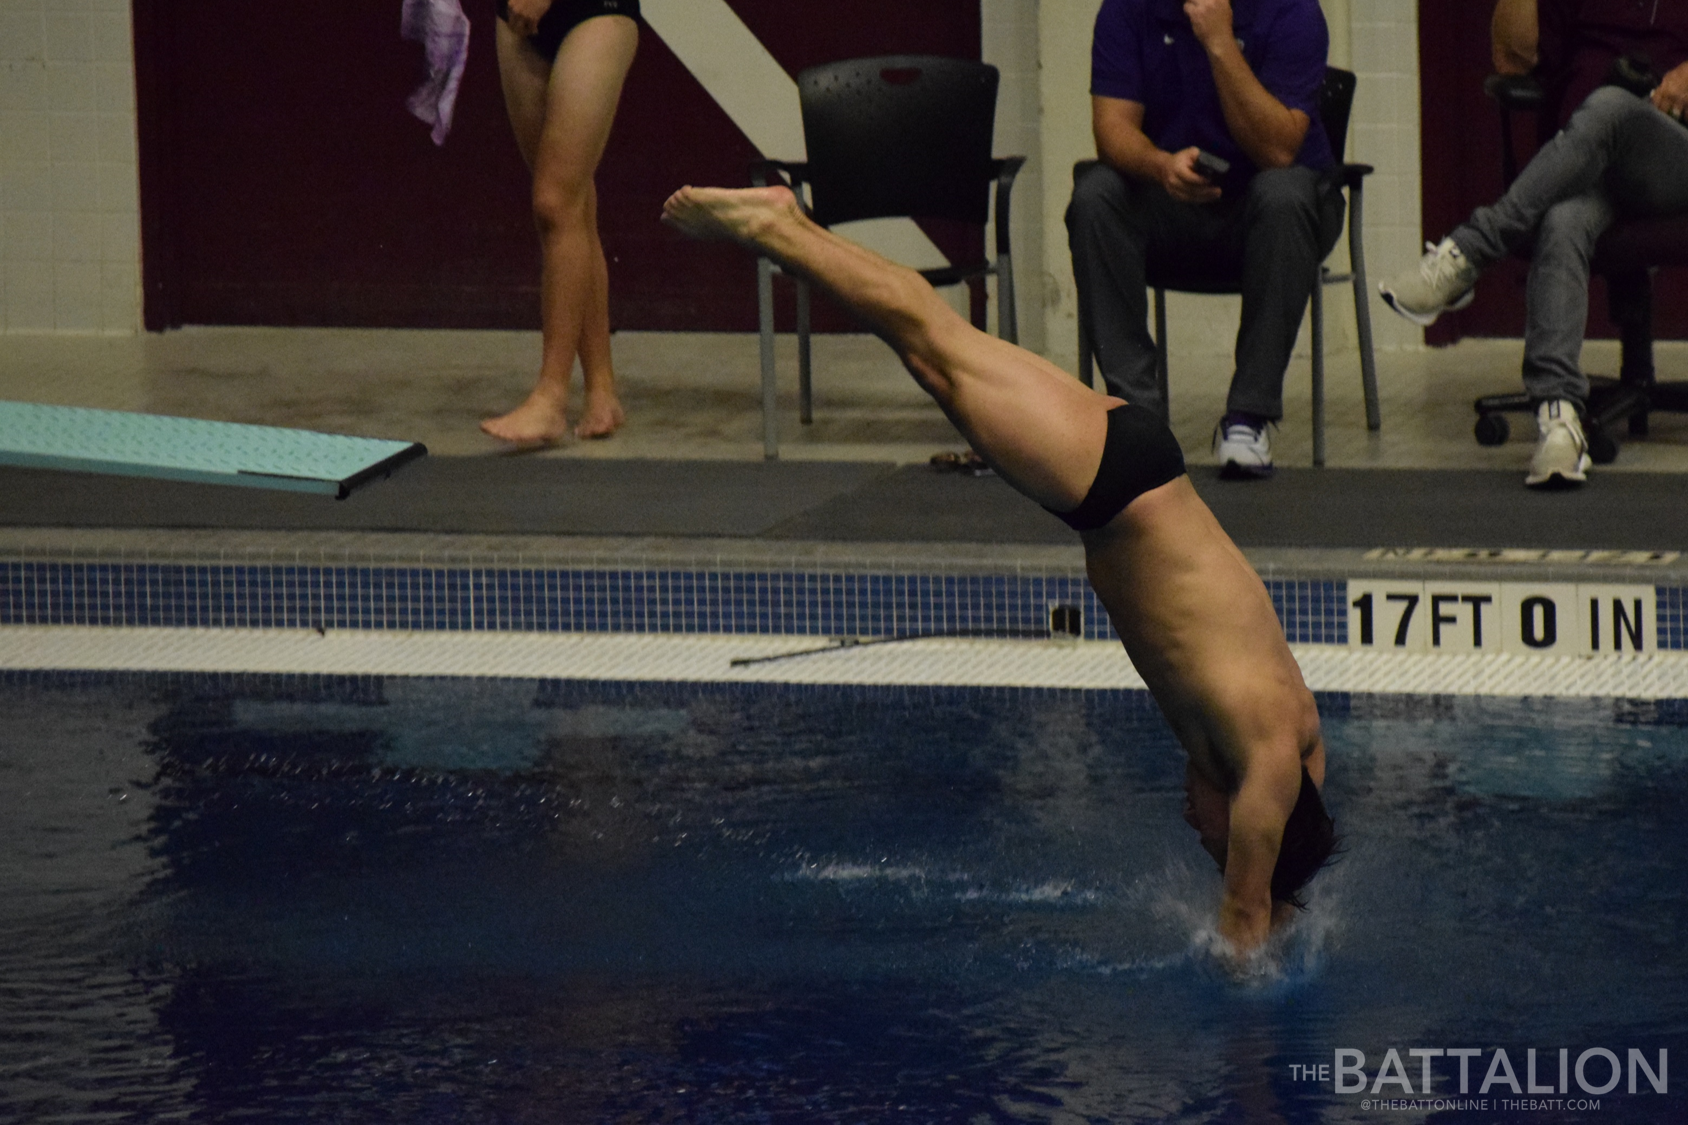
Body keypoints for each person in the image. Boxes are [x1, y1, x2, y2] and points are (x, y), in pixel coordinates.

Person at [661, 183, 1338, 959]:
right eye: (1214, 840)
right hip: (1114, 487)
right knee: (931, 343)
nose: (1194, 826)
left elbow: (1283, 870)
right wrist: (1253, 1037)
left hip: (1129, 477)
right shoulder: (1267, 770)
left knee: (934, 349)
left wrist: (1285, 899)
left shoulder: (1299, 747)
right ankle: (774, 227)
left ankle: (788, 225)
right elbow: (1245, 921)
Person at [1378, 0, 1688, 489]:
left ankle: (1470, 251)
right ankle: (1559, 417)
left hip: (1672, 159)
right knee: (1561, 220)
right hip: (1584, 170)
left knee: (1609, 105)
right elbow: (1512, 59)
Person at [1066, 0, 1344, 479]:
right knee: (1095, 194)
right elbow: (1111, 129)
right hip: (1170, 203)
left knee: (1285, 194)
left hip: (1270, 216)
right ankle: (1139, 420)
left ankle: (1247, 421)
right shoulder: (1127, 11)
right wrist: (1161, 165)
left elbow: (1277, 150)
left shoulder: (1292, 11)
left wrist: (1218, 41)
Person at [484, 0, 639, 445]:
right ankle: (601, 391)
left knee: (554, 202)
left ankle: (550, 398)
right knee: (571, 206)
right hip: (515, 17)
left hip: (595, 11)